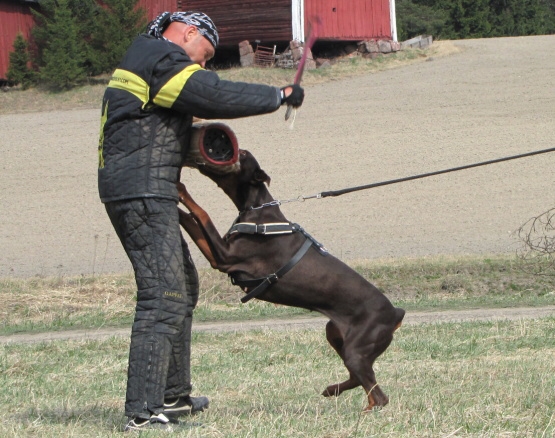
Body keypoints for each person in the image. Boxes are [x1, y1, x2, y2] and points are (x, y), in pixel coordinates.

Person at [97, 11, 304, 432]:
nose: (204, 64)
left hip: (141, 188)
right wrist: (277, 95)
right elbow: (211, 94)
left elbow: (165, 120)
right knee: (163, 294)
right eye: (205, 54)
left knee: (181, 287)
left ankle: (173, 396)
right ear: (187, 34)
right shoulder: (159, 56)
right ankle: (142, 411)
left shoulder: (146, 60)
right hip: (141, 191)